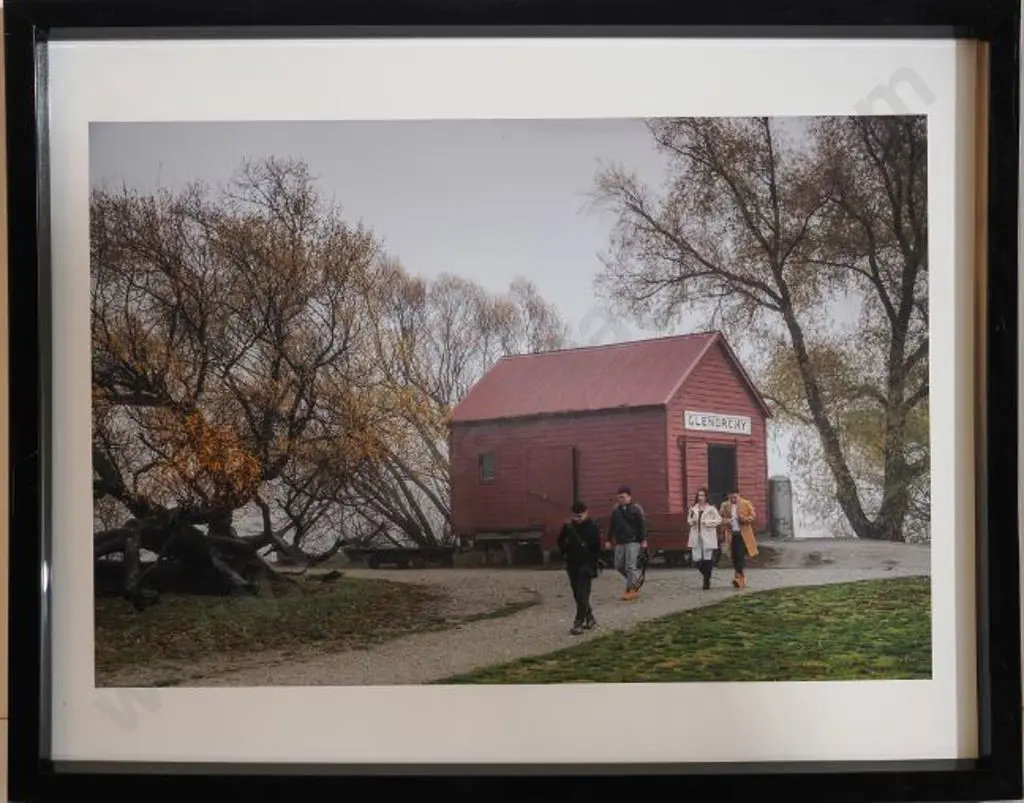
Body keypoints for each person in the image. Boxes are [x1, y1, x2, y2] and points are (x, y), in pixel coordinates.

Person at [557, 501, 601, 635]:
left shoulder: (592, 527)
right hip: (572, 564)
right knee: (577, 594)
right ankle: (590, 617)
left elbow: (597, 549)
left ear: (586, 513)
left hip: (586, 565)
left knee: (582, 594)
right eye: (575, 516)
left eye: (580, 516)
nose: (578, 519)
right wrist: (565, 552)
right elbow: (560, 541)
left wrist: (593, 565)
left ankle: (578, 622)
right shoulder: (569, 527)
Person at [605, 485, 647, 601]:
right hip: (620, 542)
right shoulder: (616, 511)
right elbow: (612, 526)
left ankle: (630, 590)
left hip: (633, 541)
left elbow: (641, 525)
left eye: (623, 497)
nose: (621, 499)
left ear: (629, 497)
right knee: (618, 565)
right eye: (619, 497)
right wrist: (608, 539)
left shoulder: (635, 509)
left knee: (630, 566)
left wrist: (643, 540)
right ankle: (635, 579)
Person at [719, 487, 759, 588]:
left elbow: (753, 516)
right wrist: (725, 521)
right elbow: (719, 518)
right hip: (731, 534)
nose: (733, 499)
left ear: (738, 495)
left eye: (735, 497)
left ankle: (738, 577)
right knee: (734, 556)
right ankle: (740, 576)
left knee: (740, 555)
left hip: (743, 534)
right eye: (731, 497)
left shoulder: (746, 503)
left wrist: (744, 519)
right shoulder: (725, 505)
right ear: (728, 496)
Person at [687, 487, 722, 590]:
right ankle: (706, 576)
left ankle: (706, 581)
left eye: (702, 495)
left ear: (706, 497)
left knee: (707, 558)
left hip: (707, 535)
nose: (700, 497)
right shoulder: (693, 508)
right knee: (696, 558)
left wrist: (708, 523)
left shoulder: (711, 508)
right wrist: (691, 522)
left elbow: (719, 520)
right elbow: (689, 519)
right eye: (699, 495)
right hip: (695, 535)